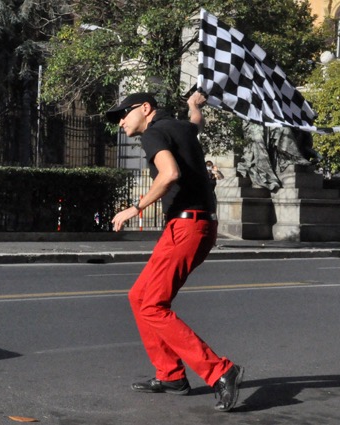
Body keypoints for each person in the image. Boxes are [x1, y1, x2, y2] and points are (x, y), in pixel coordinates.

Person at [106, 92, 243, 412]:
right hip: (193, 225)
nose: (121, 121)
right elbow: (195, 124)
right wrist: (195, 108)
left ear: (145, 108)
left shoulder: (154, 133)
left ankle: (220, 370)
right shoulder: (179, 127)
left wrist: (134, 208)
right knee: (140, 296)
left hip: (188, 226)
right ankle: (170, 375)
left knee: (152, 304)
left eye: (123, 114)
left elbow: (169, 174)